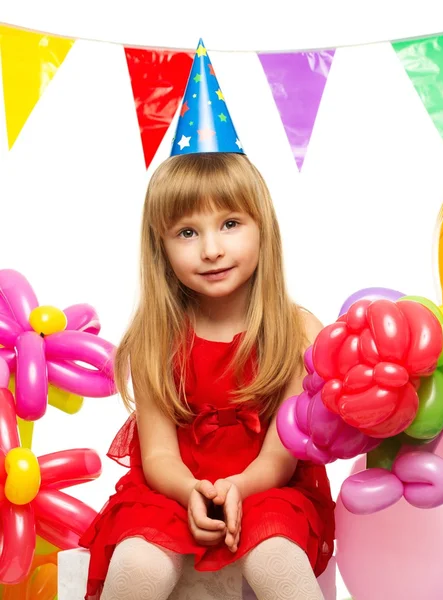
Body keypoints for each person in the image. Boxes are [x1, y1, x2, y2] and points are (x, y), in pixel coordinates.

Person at [79, 39, 335, 600]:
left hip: (268, 489)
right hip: (172, 493)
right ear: (162, 246)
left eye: (230, 224)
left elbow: (278, 453)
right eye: (188, 233)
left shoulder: (294, 332)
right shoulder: (155, 338)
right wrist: (194, 489)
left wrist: (238, 487)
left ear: (262, 226)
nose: (212, 249)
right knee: (137, 567)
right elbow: (159, 454)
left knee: (276, 560)